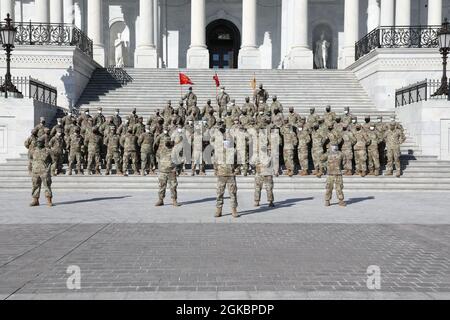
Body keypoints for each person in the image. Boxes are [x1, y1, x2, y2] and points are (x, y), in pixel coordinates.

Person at [213, 126, 239, 218]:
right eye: (225, 141)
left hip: (231, 175)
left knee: (233, 194)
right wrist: (216, 170)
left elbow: (237, 162)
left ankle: (234, 210)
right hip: (221, 174)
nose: (226, 142)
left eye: (228, 141)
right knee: (219, 193)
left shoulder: (234, 151)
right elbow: (215, 161)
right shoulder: (218, 151)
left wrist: (236, 170)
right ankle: (218, 210)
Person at [155, 131, 181, 207]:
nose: (168, 143)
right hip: (162, 170)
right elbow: (157, 156)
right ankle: (160, 200)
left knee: (173, 186)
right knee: (161, 186)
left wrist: (178, 169)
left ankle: (174, 200)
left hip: (172, 171)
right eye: (167, 142)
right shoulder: (161, 150)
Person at [30, 137, 53, 207]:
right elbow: (30, 159)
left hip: (44, 171)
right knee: (35, 186)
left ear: (43, 143)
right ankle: (35, 200)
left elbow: (53, 160)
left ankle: (49, 200)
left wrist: (49, 169)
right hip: (35, 171)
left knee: (47, 186)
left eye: (40, 142)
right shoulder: (33, 150)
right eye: (38, 142)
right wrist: (31, 168)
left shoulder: (48, 151)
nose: (39, 143)